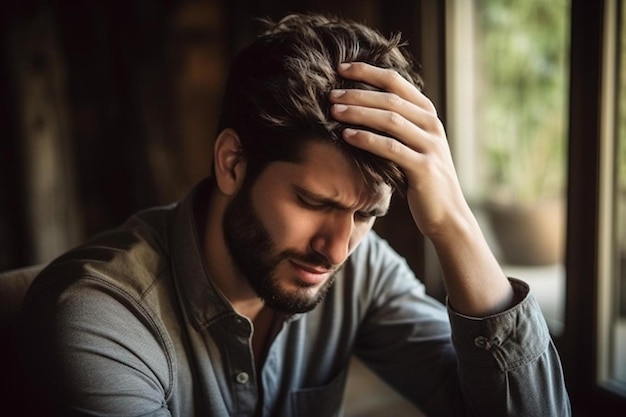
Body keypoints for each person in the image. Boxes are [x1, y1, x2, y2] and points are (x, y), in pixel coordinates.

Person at [19, 12, 570, 417]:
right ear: (233, 163)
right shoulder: (101, 322)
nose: (335, 250)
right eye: (313, 203)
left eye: (365, 214)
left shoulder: (363, 270)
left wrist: (453, 222)